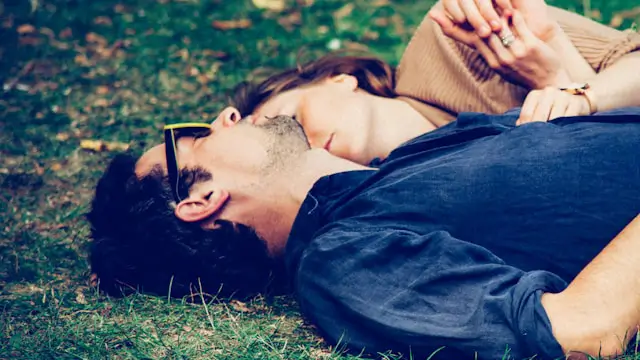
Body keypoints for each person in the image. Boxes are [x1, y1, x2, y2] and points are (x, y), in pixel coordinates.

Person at [88, 107, 640, 359]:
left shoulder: (397, 163)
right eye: (195, 136)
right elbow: (579, 332)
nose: (229, 114)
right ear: (199, 199)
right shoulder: (342, 260)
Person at [227, 0, 640, 165]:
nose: (308, 145)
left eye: (294, 121)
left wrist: (562, 68)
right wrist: (552, 78)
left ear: (339, 79)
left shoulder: (454, 37)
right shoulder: (406, 194)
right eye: (290, 151)